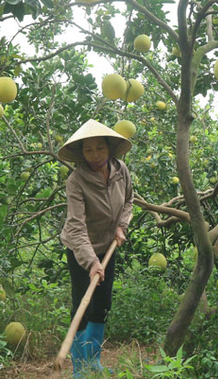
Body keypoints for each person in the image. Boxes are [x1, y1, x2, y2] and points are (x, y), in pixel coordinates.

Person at [58, 119, 133, 377]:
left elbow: (129, 201)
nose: (94, 155)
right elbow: (76, 227)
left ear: (110, 148)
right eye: (88, 150)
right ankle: (80, 368)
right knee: (83, 303)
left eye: (99, 148)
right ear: (81, 153)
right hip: (81, 247)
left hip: (108, 245)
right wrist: (92, 263)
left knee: (102, 304)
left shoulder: (120, 169)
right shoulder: (76, 181)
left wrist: (121, 226)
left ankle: (94, 362)